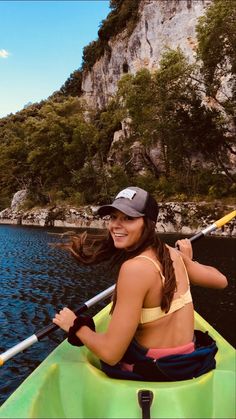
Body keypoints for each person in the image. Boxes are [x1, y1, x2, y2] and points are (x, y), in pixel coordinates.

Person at [53, 186, 227, 381]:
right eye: (113, 217)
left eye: (128, 218)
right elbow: (221, 281)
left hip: (158, 370)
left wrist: (75, 326)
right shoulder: (171, 253)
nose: (115, 226)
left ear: (148, 223)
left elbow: (111, 354)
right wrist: (187, 260)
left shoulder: (134, 269)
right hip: (189, 359)